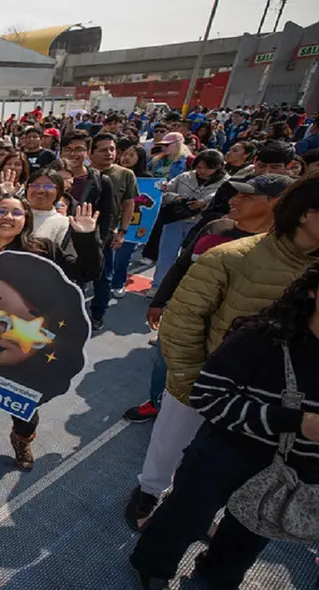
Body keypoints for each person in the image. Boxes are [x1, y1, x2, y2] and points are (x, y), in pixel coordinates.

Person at [125, 174, 319, 534]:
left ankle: (194, 514)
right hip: (203, 380)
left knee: (222, 468)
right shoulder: (230, 256)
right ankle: (149, 492)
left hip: (267, 402)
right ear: (306, 213)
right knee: (170, 444)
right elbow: (181, 324)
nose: (237, 200)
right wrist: (191, 383)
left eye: (250, 195)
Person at [130, 261, 319, 590]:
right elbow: (207, 396)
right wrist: (294, 422)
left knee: (250, 535)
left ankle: (218, 574)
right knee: (186, 516)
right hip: (226, 452)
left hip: (298, 468)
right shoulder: (264, 337)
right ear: (314, 290)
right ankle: (152, 565)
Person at [122, 174, 293, 426]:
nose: (234, 200)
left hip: (228, 336)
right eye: (236, 194)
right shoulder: (216, 227)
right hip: (182, 318)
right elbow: (181, 265)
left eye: (246, 197)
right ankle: (157, 402)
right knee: (164, 364)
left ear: (277, 203)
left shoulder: (281, 250)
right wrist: (159, 301)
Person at [0, 195, 103, 466]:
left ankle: (21, 443)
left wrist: (86, 237)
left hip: (26, 349)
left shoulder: (44, 250)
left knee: (24, 406)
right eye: (1, 211)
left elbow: (88, 272)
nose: (7, 217)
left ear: (26, 221)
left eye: (16, 212)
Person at [149, 150, 228, 295]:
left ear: (218, 167)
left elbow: (224, 203)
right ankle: (158, 286)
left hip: (201, 224)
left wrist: (205, 203)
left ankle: (182, 289)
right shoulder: (184, 177)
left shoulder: (226, 182)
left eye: (208, 168)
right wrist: (177, 198)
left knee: (192, 258)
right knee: (166, 255)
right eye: (199, 167)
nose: (202, 171)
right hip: (175, 220)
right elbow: (164, 193)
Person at [88, 133, 138, 330]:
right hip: (79, 233)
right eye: (102, 150)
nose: (109, 153)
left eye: (112, 149)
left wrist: (122, 231)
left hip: (108, 234)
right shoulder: (83, 173)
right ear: (91, 154)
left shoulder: (125, 174)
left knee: (104, 277)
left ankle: (97, 314)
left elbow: (128, 204)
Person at [61, 131, 115, 245]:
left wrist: (100, 242)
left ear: (88, 153)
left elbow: (107, 214)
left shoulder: (101, 180)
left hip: (85, 240)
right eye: (67, 149)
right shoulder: (50, 176)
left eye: (79, 149)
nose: (72, 154)